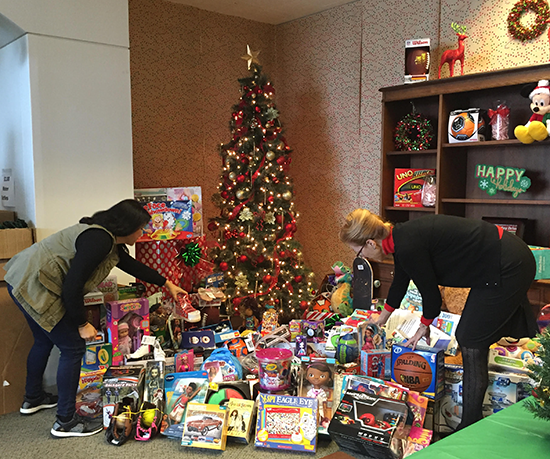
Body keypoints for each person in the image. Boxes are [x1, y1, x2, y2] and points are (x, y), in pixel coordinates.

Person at [340, 209, 538, 431]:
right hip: (498, 259)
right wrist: (381, 318)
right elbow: (400, 282)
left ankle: (469, 427)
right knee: (472, 336)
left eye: (358, 252)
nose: (363, 257)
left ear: (370, 243)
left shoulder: (408, 245)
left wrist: (423, 327)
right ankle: (472, 423)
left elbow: (431, 295)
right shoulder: (400, 238)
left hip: (508, 263)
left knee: (470, 341)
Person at [4, 199, 187, 438]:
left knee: (43, 341)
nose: (143, 232)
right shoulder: (98, 240)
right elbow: (72, 286)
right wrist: (81, 323)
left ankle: (33, 398)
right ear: (127, 226)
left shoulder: (109, 242)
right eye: (141, 227)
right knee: (72, 347)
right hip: (35, 285)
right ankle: (65, 422)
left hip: (22, 278)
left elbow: (133, 266)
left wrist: (167, 284)